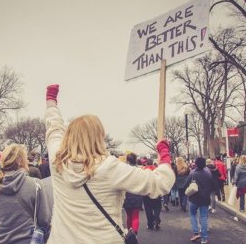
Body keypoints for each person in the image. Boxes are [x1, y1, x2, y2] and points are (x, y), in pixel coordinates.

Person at [44, 84, 175, 244]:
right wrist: (164, 154)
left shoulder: (57, 162)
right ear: (99, 137)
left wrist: (51, 102)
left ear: (69, 136)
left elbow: (54, 128)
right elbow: (160, 183)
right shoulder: (108, 168)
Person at [0, 144, 51, 244]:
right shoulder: (35, 184)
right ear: (20, 161)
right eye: (25, 158)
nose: (27, 160)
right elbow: (44, 220)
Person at [185, 157, 212, 244]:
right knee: (203, 217)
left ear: (196, 163)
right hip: (205, 198)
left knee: (192, 214)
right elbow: (211, 184)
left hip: (194, 198)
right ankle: (204, 238)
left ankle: (195, 232)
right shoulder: (208, 173)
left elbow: (186, 183)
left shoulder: (193, 173)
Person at [123, 153, 143, 235]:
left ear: (127, 160)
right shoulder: (139, 170)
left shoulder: (124, 171)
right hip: (137, 194)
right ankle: (134, 233)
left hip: (127, 195)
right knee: (135, 216)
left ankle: (129, 233)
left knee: (129, 216)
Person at [142, 159, 162, 230]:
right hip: (156, 192)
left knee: (148, 209)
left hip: (147, 193)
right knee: (157, 207)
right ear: (153, 163)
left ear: (146, 163)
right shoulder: (157, 170)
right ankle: (156, 218)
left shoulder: (143, 171)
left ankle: (150, 224)